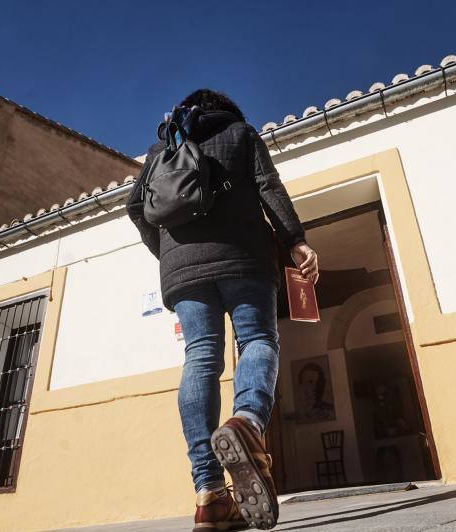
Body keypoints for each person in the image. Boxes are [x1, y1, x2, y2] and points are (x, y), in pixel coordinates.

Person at [126, 89, 319, 532]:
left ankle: (209, 493)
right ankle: (248, 422)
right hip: (244, 258)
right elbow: (268, 186)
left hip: (182, 269)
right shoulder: (241, 135)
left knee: (201, 357)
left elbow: (134, 207)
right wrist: (296, 240)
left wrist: (169, 252)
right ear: (226, 109)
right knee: (256, 340)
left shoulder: (162, 149)